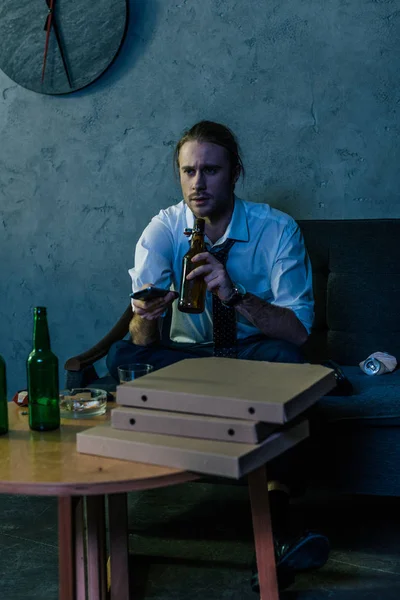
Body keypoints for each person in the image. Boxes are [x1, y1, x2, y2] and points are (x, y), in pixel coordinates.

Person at [107, 120, 330, 589]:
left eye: (210, 170)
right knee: (121, 362)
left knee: (291, 366)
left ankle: (277, 526)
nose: (198, 183)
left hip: (253, 352)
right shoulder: (164, 229)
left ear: (235, 173)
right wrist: (147, 314)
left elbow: (298, 332)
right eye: (188, 172)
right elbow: (142, 341)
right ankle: (277, 536)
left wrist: (234, 295)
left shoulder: (277, 229)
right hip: (190, 358)